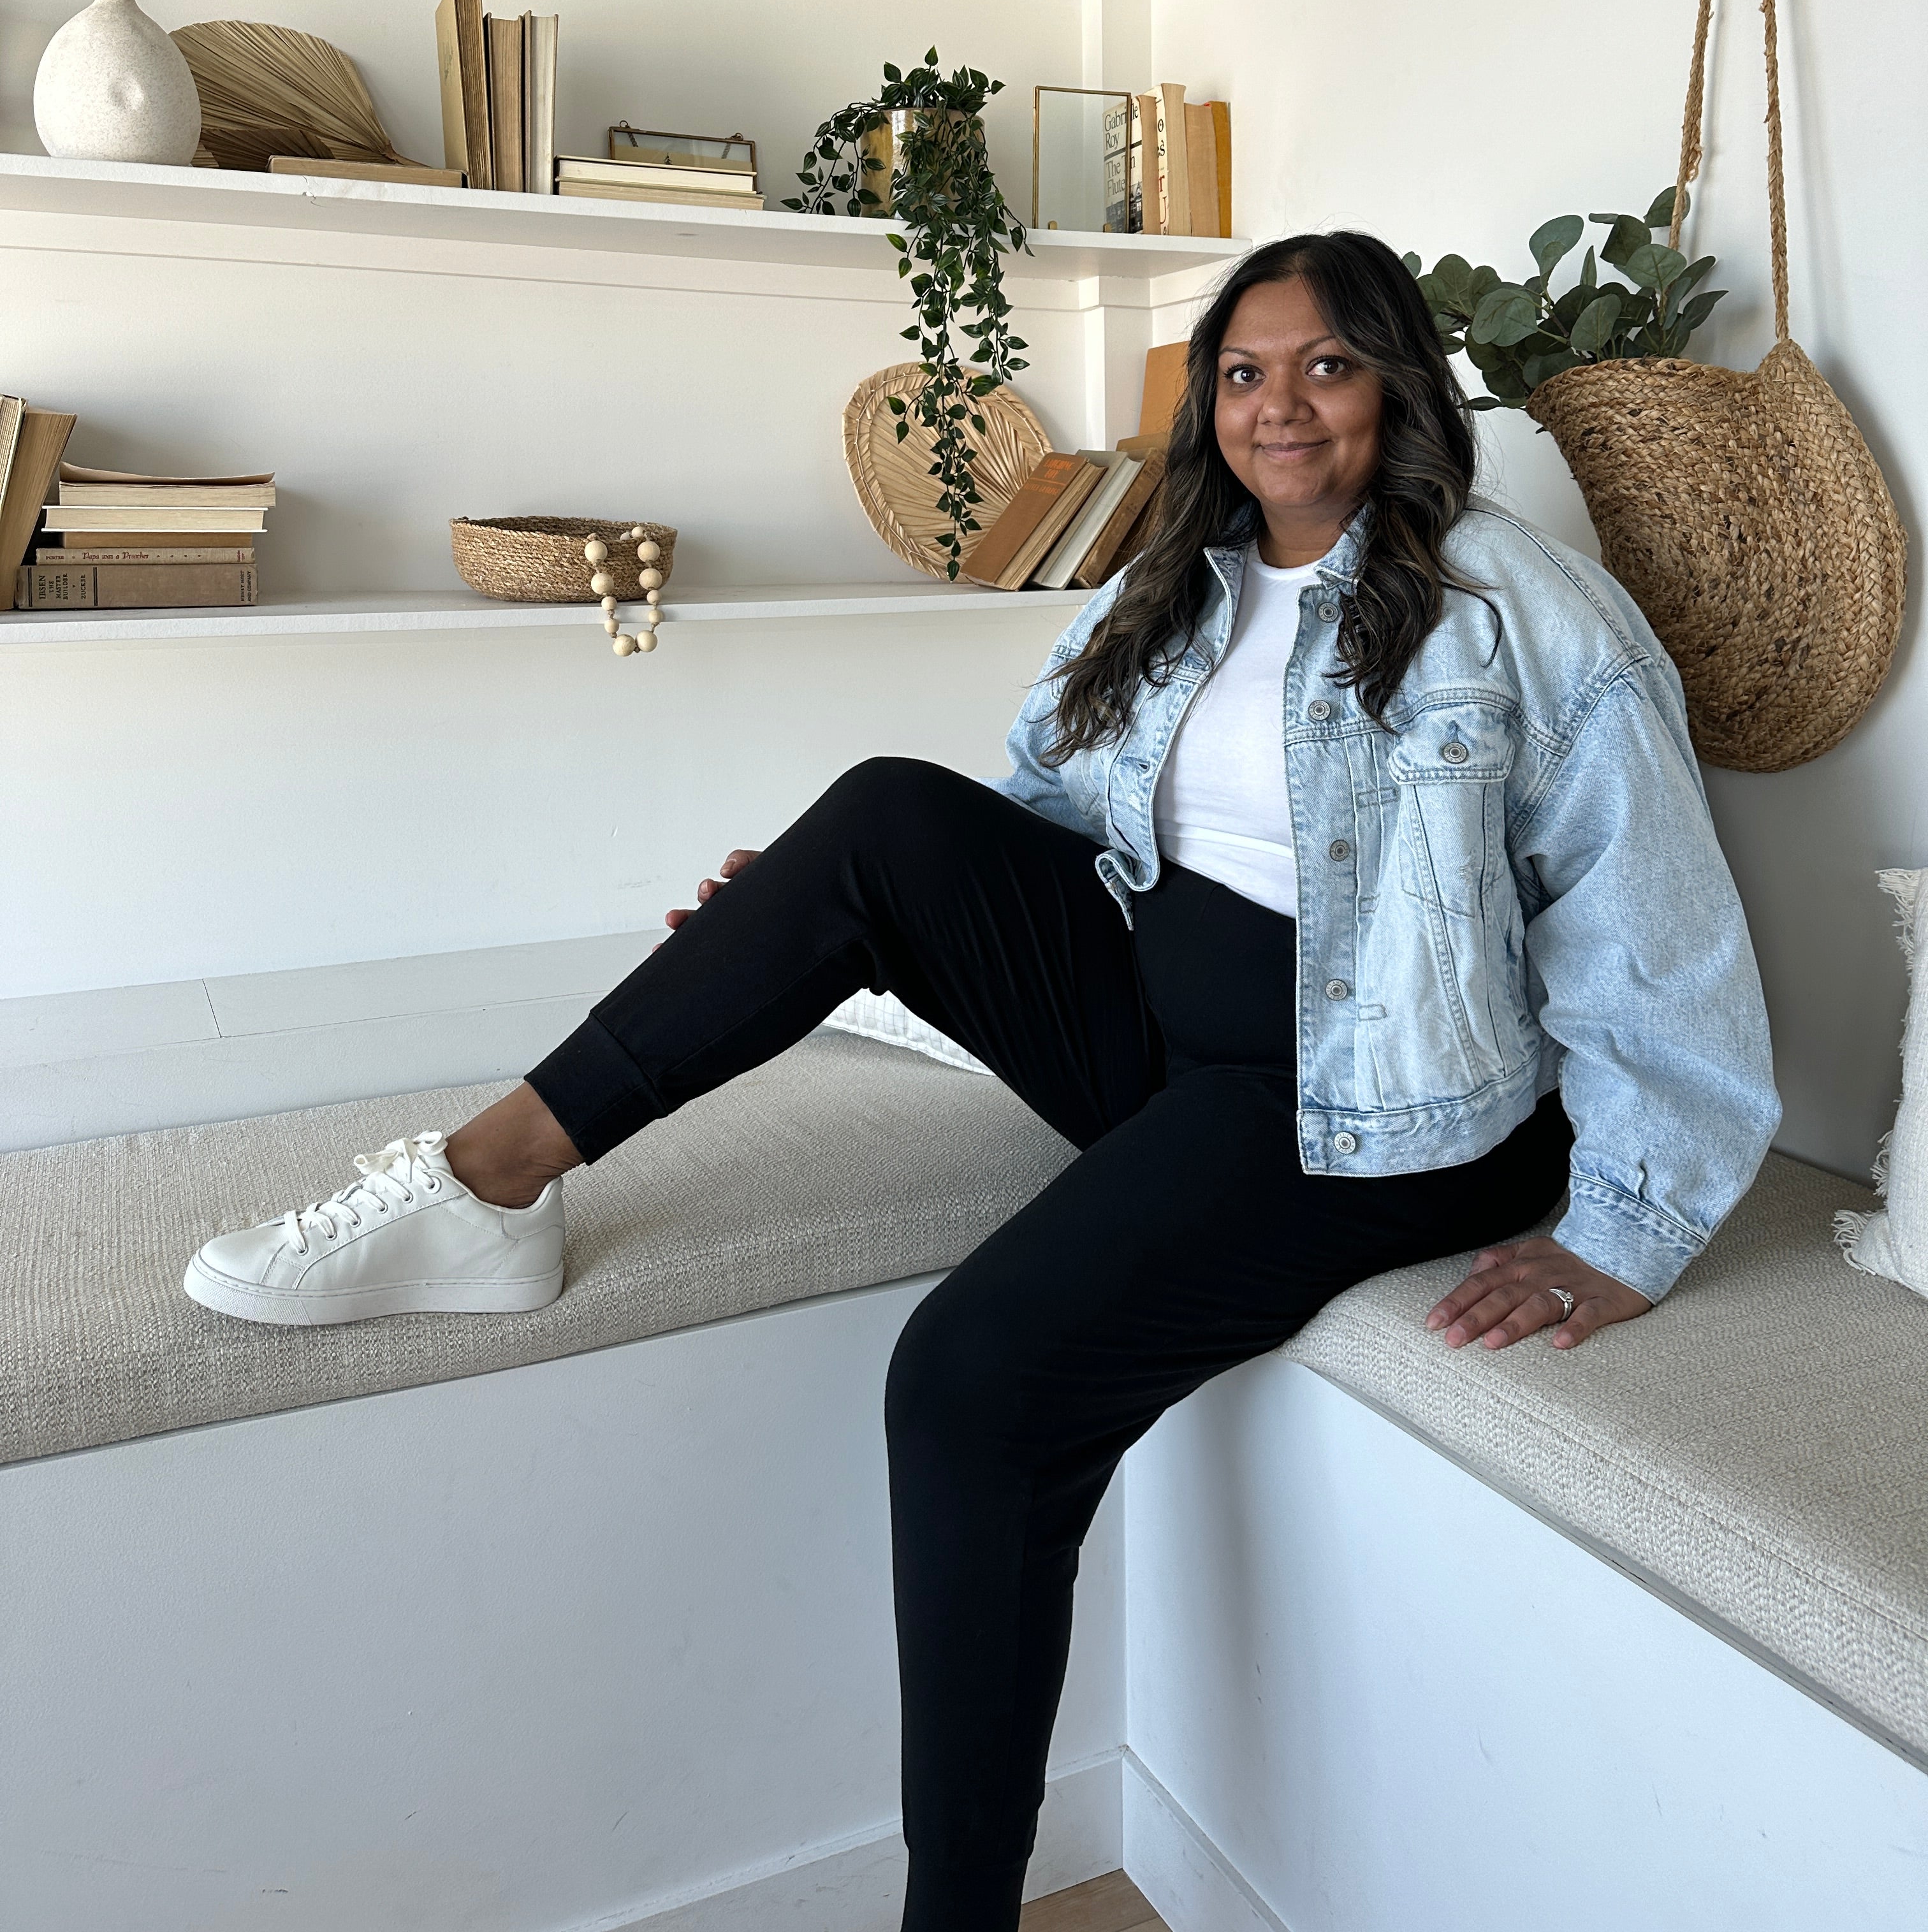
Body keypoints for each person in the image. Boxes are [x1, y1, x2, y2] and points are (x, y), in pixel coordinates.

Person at [187, 232, 1778, 1932]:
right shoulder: (1176, 580)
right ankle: (484, 1187)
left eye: (1325, 364)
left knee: (968, 1379)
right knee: (880, 818)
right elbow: (1046, 818)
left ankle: (955, 1914)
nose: (1280, 406)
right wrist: (827, 913)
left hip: (1378, 1099)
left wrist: (1624, 1222)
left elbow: (1650, 922)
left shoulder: (1514, 603)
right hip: (1167, 1029)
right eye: (1243, 374)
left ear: (1399, 380)